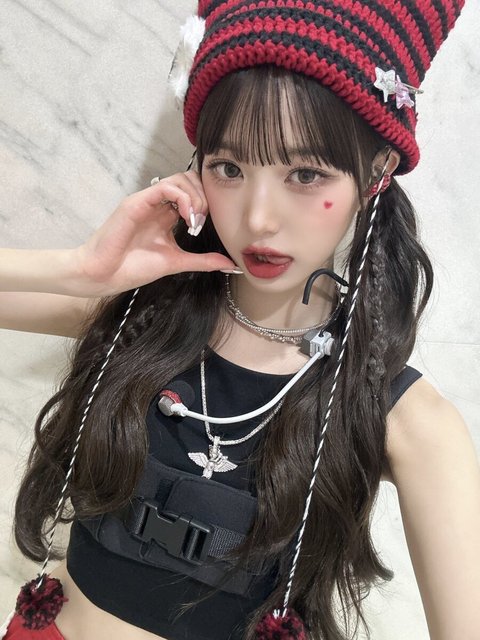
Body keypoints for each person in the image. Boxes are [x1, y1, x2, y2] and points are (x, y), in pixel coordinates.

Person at [1, 1, 479, 639]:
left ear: (376, 173)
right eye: (230, 168)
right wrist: (80, 269)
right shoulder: (141, 312)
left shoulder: (401, 416)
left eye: (304, 174)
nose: (258, 217)